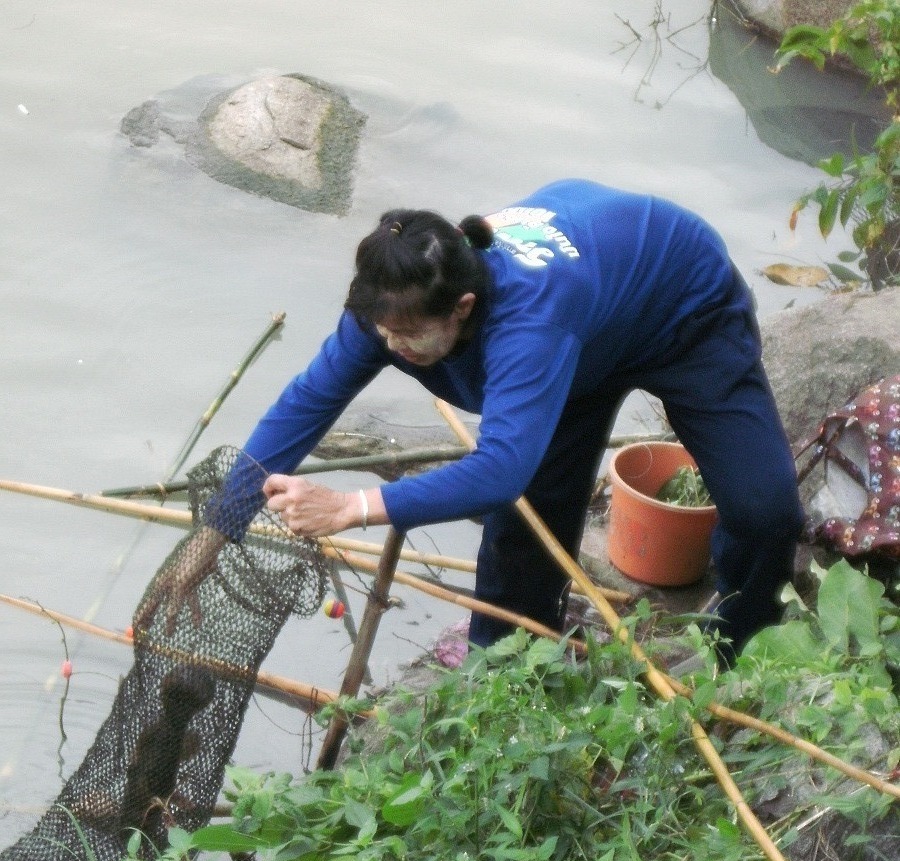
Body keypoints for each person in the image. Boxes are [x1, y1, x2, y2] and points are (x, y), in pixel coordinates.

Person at [151, 178, 804, 658]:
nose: (391, 344)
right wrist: (215, 533)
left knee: (764, 511)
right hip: (587, 319)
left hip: (679, 306)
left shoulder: (531, 324)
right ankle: (504, 665)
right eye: (382, 331)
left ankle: (734, 650)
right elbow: (303, 406)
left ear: (463, 307)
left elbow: (497, 471)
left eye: (407, 335)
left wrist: (353, 506)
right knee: (526, 524)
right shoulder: (387, 314)